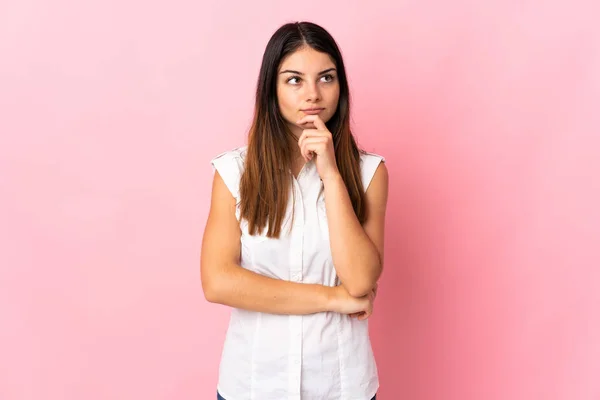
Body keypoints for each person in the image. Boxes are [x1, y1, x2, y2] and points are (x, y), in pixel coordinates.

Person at [200, 21, 389, 400]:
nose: (313, 94)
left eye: (326, 78)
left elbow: (361, 280)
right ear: (272, 87)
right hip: (253, 384)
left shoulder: (370, 173)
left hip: (341, 385)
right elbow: (218, 281)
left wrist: (331, 175)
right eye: (294, 80)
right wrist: (331, 298)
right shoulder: (234, 172)